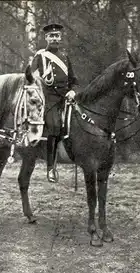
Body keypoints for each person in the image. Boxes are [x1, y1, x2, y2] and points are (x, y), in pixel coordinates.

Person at [30, 23, 79, 183]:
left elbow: (74, 80)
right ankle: (51, 167)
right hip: (48, 98)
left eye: (57, 35)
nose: (55, 38)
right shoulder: (40, 56)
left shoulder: (65, 57)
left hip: (66, 98)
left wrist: (72, 90)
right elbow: (32, 78)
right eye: (51, 36)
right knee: (54, 126)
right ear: (46, 38)